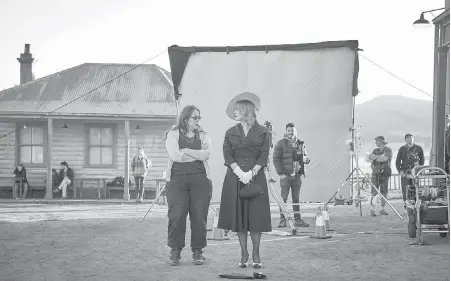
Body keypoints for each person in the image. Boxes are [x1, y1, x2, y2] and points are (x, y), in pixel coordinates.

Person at [218, 92, 272, 269]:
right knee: (239, 218)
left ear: (246, 110)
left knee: (255, 217)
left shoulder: (264, 132)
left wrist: (252, 172)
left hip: (256, 178)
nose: (234, 113)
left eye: (237, 109)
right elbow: (227, 154)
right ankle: (244, 252)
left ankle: (256, 252)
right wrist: (239, 171)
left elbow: (264, 155)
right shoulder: (230, 132)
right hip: (235, 178)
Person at [164, 105, 212, 266]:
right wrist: (196, 155)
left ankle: (198, 252)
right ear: (185, 118)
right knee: (177, 215)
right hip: (177, 181)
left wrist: (186, 150)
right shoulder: (172, 134)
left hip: (201, 180)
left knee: (199, 216)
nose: (198, 120)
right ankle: (175, 252)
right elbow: (176, 156)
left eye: (199, 117)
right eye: (195, 117)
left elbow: (207, 154)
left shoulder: (204, 135)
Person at [273, 123, 310, 228]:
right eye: (288, 130)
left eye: (292, 130)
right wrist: (281, 174)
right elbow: (276, 159)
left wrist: (307, 159)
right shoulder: (280, 144)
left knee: (296, 198)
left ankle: (297, 220)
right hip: (285, 176)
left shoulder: (301, 144)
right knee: (283, 198)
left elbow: (306, 157)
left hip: (297, 176)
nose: (290, 132)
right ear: (286, 132)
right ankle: (282, 220)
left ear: (295, 131)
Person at [395, 133, 425, 208]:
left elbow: (422, 160)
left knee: (416, 188)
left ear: (413, 138)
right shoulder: (402, 149)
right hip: (405, 172)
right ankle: (407, 204)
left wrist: (420, 169)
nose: (409, 139)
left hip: (415, 172)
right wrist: (400, 171)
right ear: (405, 140)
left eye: (411, 137)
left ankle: (415, 204)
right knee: (406, 189)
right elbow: (398, 162)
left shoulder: (419, 148)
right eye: (407, 138)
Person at [367, 136, 393, 217]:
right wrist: (378, 157)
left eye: (377, 141)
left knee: (384, 192)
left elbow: (384, 159)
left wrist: (376, 157)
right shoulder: (375, 150)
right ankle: (372, 209)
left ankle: (382, 209)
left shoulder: (388, 150)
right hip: (375, 172)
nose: (375, 143)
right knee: (374, 191)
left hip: (384, 173)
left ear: (381, 142)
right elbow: (370, 158)